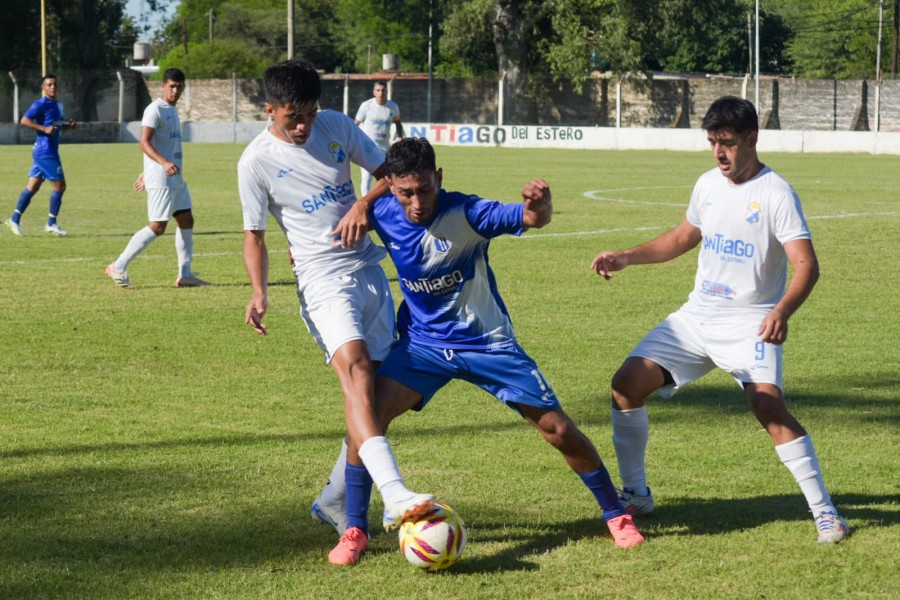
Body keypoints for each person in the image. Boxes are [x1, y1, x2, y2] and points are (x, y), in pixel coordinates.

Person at [318, 137, 645, 566]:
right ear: (391, 188)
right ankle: (356, 530)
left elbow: (531, 218)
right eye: (405, 193)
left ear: (439, 178)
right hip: (423, 347)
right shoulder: (381, 212)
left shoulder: (467, 212)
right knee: (367, 419)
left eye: (424, 190)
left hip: (488, 343)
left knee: (558, 429)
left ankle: (616, 515)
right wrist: (354, 211)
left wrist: (538, 205)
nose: (416, 203)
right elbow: (338, 234)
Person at [590, 95, 849, 544]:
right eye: (712, 142)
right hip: (696, 318)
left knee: (768, 407)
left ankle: (826, 513)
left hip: (750, 320)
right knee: (625, 384)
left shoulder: (776, 193)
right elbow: (681, 237)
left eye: (727, 142)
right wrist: (626, 257)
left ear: (752, 138)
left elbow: (807, 265)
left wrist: (781, 310)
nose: (719, 153)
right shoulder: (708, 184)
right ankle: (636, 494)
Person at [237, 59, 434, 565]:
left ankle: (333, 498)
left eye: (308, 114)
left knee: (378, 399)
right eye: (290, 118)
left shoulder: (339, 126)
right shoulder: (255, 161)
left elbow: (388, 173)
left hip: (369, 270)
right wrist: (259, 292)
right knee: (358, 370)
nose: (302, 126)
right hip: (321, 279)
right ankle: (393, 497)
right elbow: (254, 237)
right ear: (269, 110)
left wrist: (362, 204)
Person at [105, 68, 209, 289]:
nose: (175, 91)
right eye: (171, 86)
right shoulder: (155, 109)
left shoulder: (171, 110)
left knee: (186, 219)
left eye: (179, 87)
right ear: (163, 86)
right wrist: (160, 164)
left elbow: (161, 144)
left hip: (175, 177)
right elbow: (144, 141)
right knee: (158, 226)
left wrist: (146, 170)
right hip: (163, 177)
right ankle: (119, 265)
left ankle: (185, 274)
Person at [4, 74, 76, 237]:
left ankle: (14, 219)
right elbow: (24, 120)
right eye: (49, 85)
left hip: (47, 150)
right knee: (60, 186)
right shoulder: (40, 104)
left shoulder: (58, 105)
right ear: (43, 88)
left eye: (55, 85)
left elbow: (55, 126)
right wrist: (43, 129)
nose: (52, 87)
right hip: (45, 151)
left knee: (33, 187)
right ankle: (51, 223)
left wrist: (68, 126)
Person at [355, 80, 403, 196]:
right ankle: (366, 206)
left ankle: (386, 202)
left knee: (387, 178)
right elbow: (355, 124)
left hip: (384, 148)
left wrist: (400, 137)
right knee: (366, 178)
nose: (381, 93)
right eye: (378, 90)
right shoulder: (366, 105)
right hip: (368, 147)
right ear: (374, 92)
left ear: (387, 91)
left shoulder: (393, 106)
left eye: (383, 90)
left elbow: (397, 122)